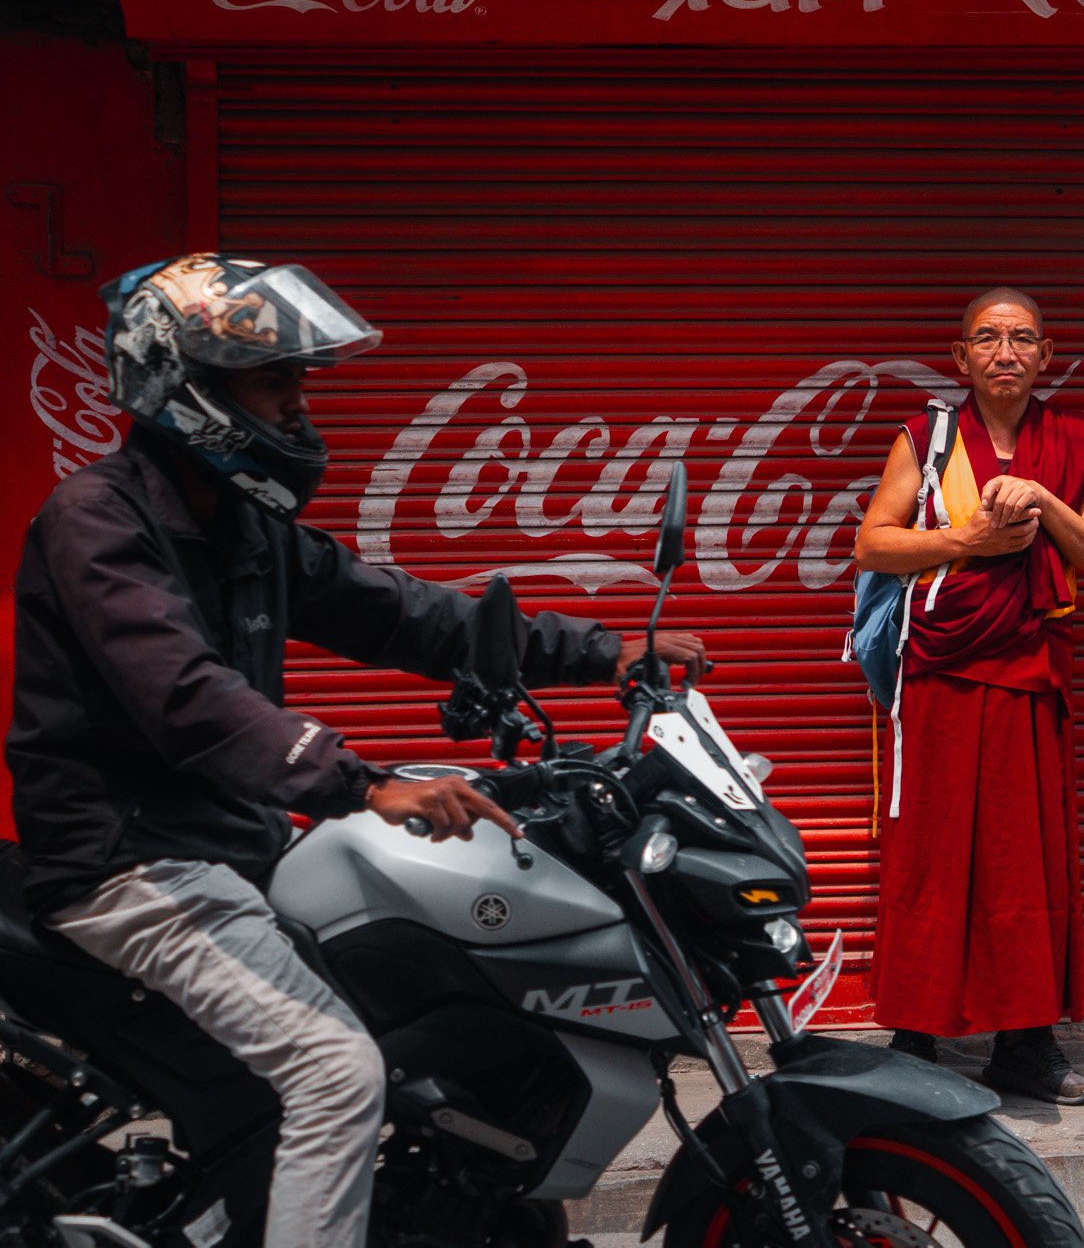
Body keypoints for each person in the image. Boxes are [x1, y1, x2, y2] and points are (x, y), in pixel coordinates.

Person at [5, 254, 707, 1248]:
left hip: (227, 846)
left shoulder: (245, 523)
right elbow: (186, 697)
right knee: (335, 1071)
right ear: (185, 385)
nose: (295, 409)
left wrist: (603, 653)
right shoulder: (97, 522)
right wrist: (366, 783)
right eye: (271, 382)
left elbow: (401, 615)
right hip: (131, 861)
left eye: (297, 383)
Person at [852, 287, 1084, 1105]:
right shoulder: (926, 437)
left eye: (1022, 338)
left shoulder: (1070, 442)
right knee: (931, 855)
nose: (1006, 351)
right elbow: (871, 543)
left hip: (1028, 676)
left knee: (1022, 859)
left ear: (1045, 356)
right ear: (961, 356)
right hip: (937, 677)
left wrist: (1041, 500)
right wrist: (961, 540)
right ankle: (916, 1036)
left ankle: (1027, 1044)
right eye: (988, 338)